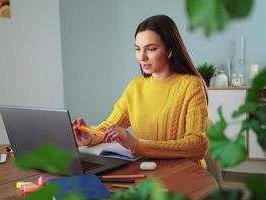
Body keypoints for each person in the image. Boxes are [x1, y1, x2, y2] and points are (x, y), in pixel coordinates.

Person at [72, 15, 209, 168]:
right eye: (137, 49)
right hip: (148, 170)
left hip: (186, 172)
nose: (142, 57)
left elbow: (198, 145)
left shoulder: (191, 85)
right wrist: (88, 136)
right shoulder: (135, 87)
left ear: (169, 50)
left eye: (151, 49)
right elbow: (108, 128)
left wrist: (136, 145)